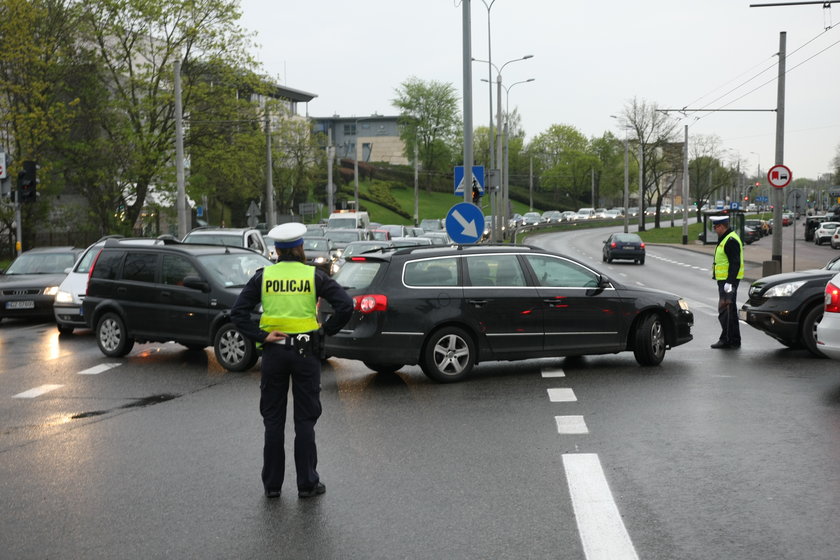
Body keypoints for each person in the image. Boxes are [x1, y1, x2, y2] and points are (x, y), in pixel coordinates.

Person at [231, 222, 353, 499]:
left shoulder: (264, 276)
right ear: (299, 249)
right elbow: (346, 304)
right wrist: (325, 332)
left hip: (274, 352)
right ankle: (307, 483)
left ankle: (272, 486)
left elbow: (238, 312)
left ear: (276, 250)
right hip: (305, 352)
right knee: (305, 420)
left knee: (273, 419)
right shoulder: (314, 276)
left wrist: (261, 334)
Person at [710, 215, 744, 349]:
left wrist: (729, 283)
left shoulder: (730, 240)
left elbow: (735, 263)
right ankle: (734, 339)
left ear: (722, 226)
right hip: (725, 281)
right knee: (729, 309)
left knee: (726, 310)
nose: (714, 229)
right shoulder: (725, 238)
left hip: (728, 282)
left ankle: (726, 339)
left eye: (716, 227)